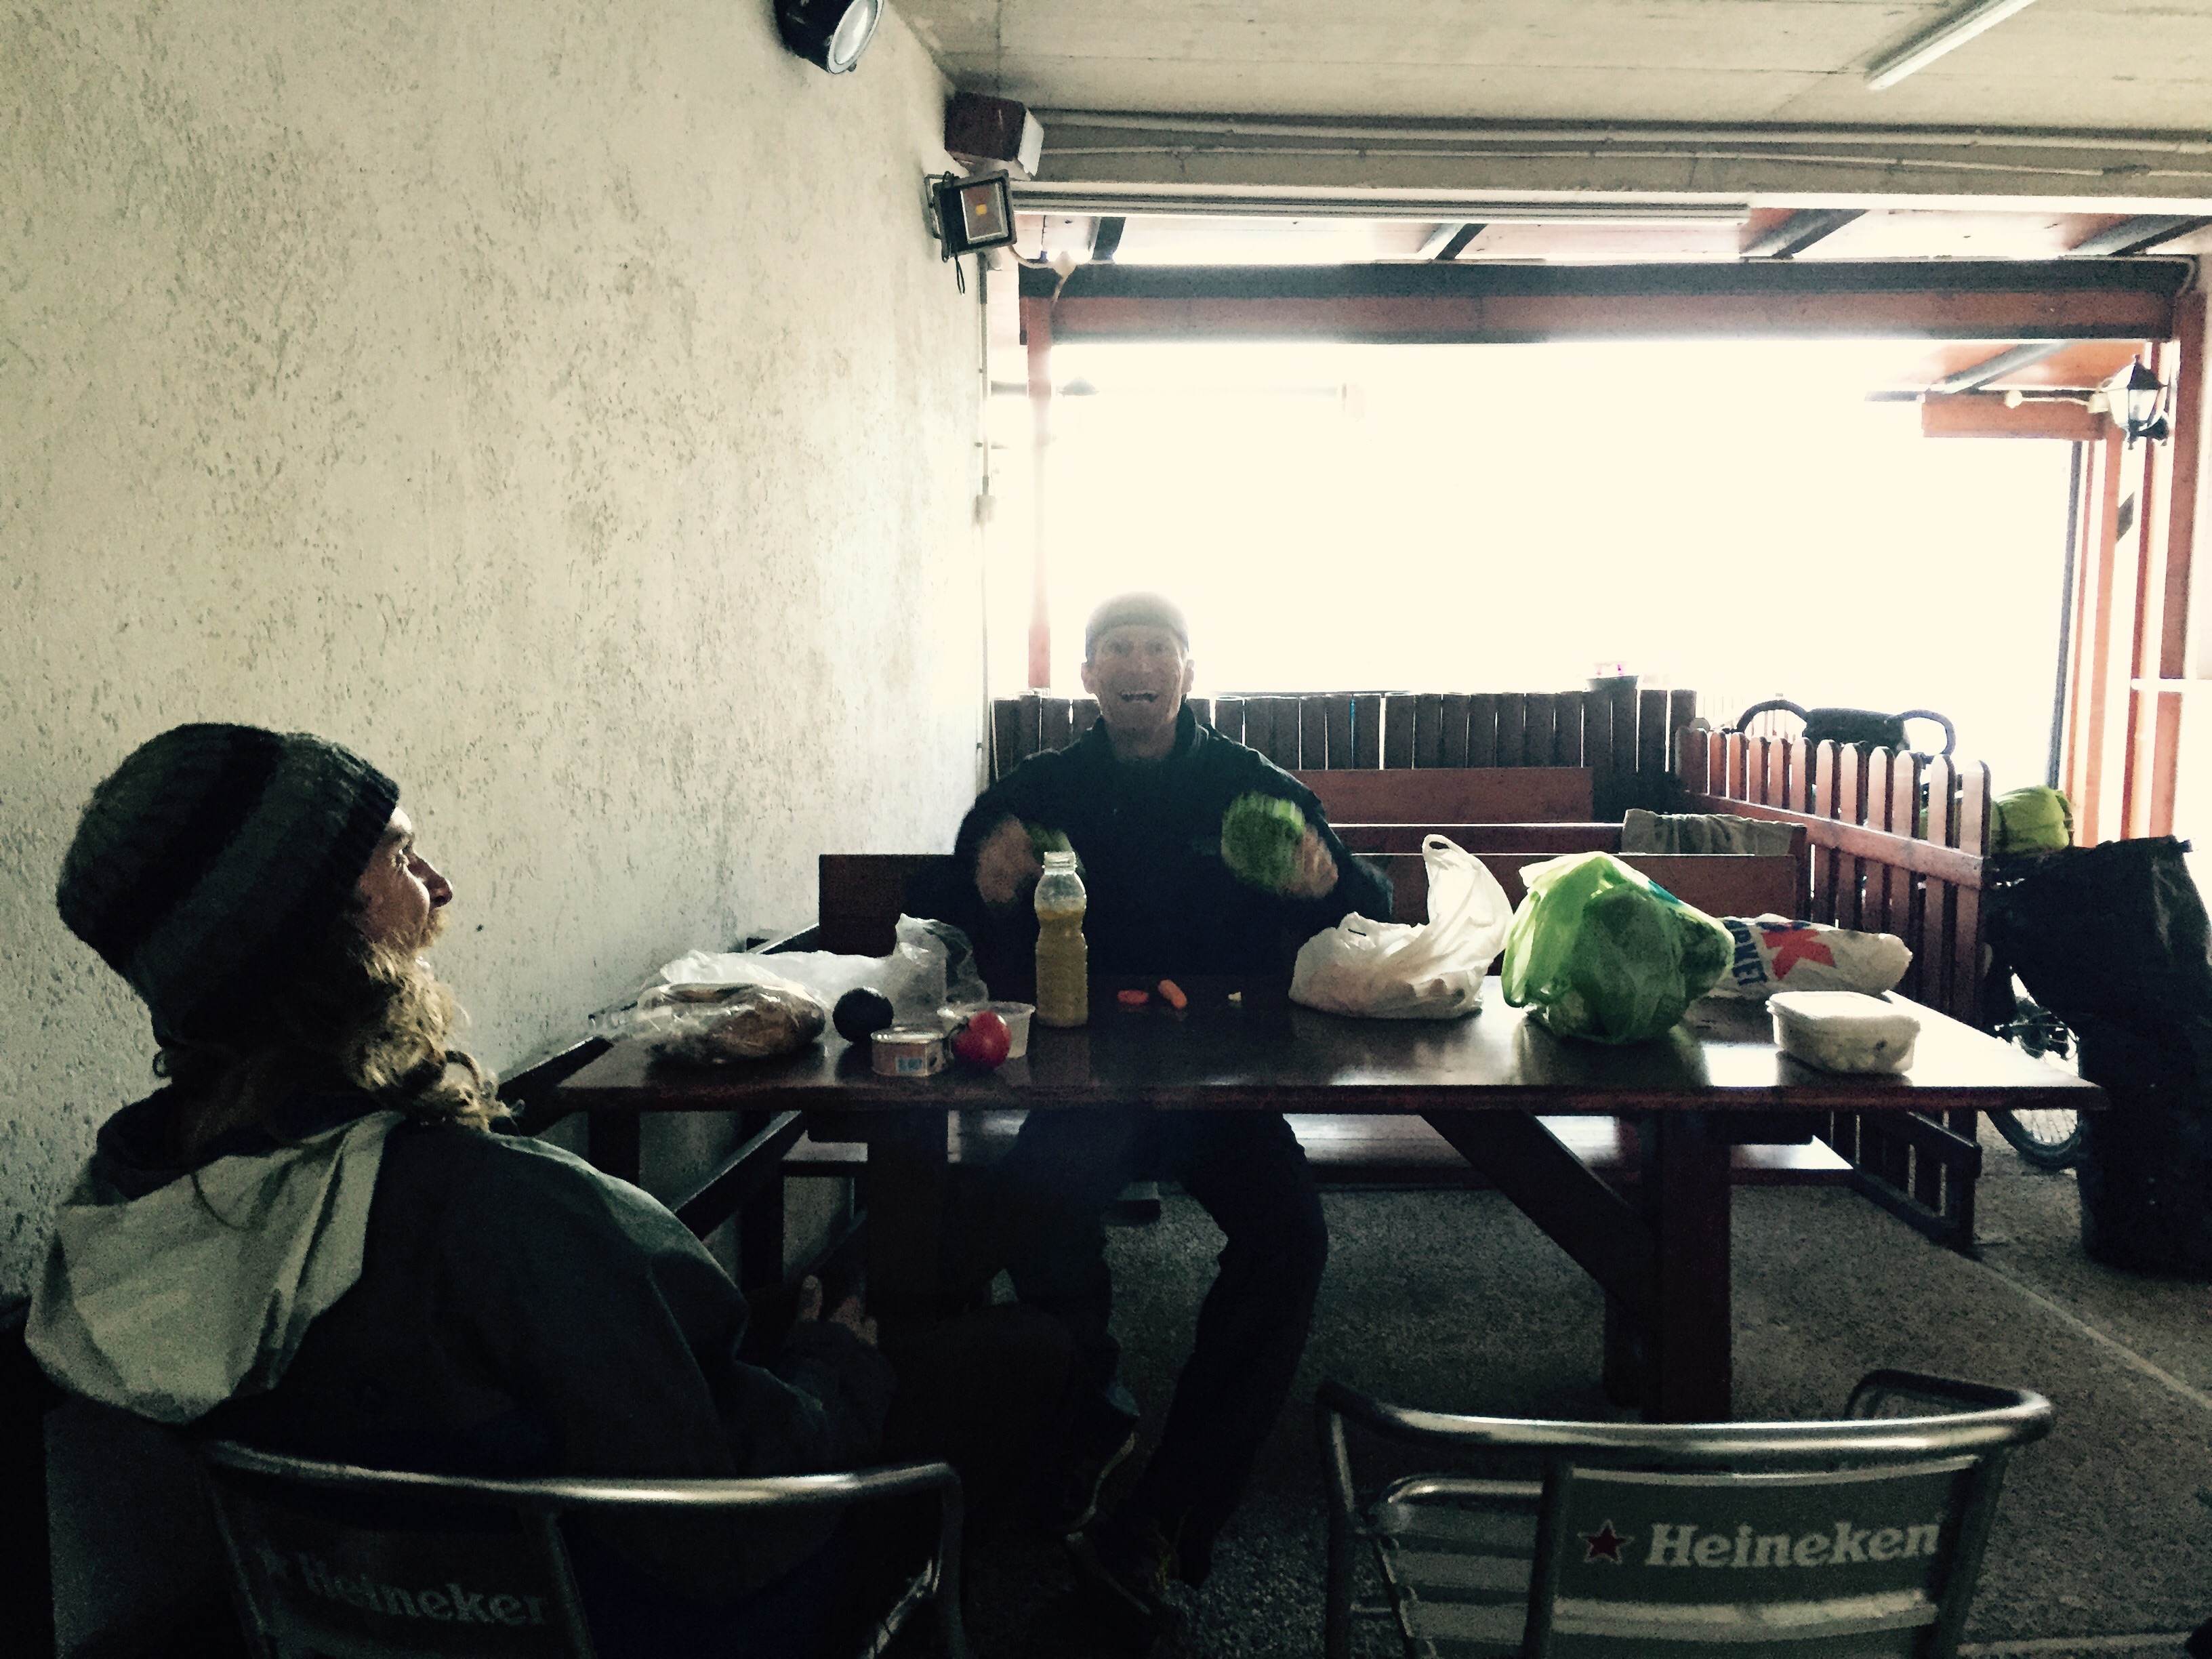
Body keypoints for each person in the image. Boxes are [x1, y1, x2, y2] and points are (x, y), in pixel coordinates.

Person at [29, 722, 1062, 1658]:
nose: (438, 884)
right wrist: (836, 1370)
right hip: (650, 1613)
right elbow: (715, 1532)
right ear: (320, 932)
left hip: (363, 1616)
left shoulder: (133, 1212)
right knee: (1022, 1362)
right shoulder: (498, 1209)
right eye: (396, 855)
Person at [933, 593, 1392, 1643]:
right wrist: (984, 881)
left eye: (1157, 650)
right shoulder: (1039, 790)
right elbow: (949, 897)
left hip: (1220, 1082)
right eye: (1116, 652)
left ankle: (1169, 1513)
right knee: (1030, 1219)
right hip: (1080, 1075)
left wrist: (1333, 881)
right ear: (1088, 677)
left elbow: (1368, 905)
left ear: (1188, 670)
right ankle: (1086, 1414)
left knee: (1290, 1238)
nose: (1138, 667)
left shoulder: (1251, 787)